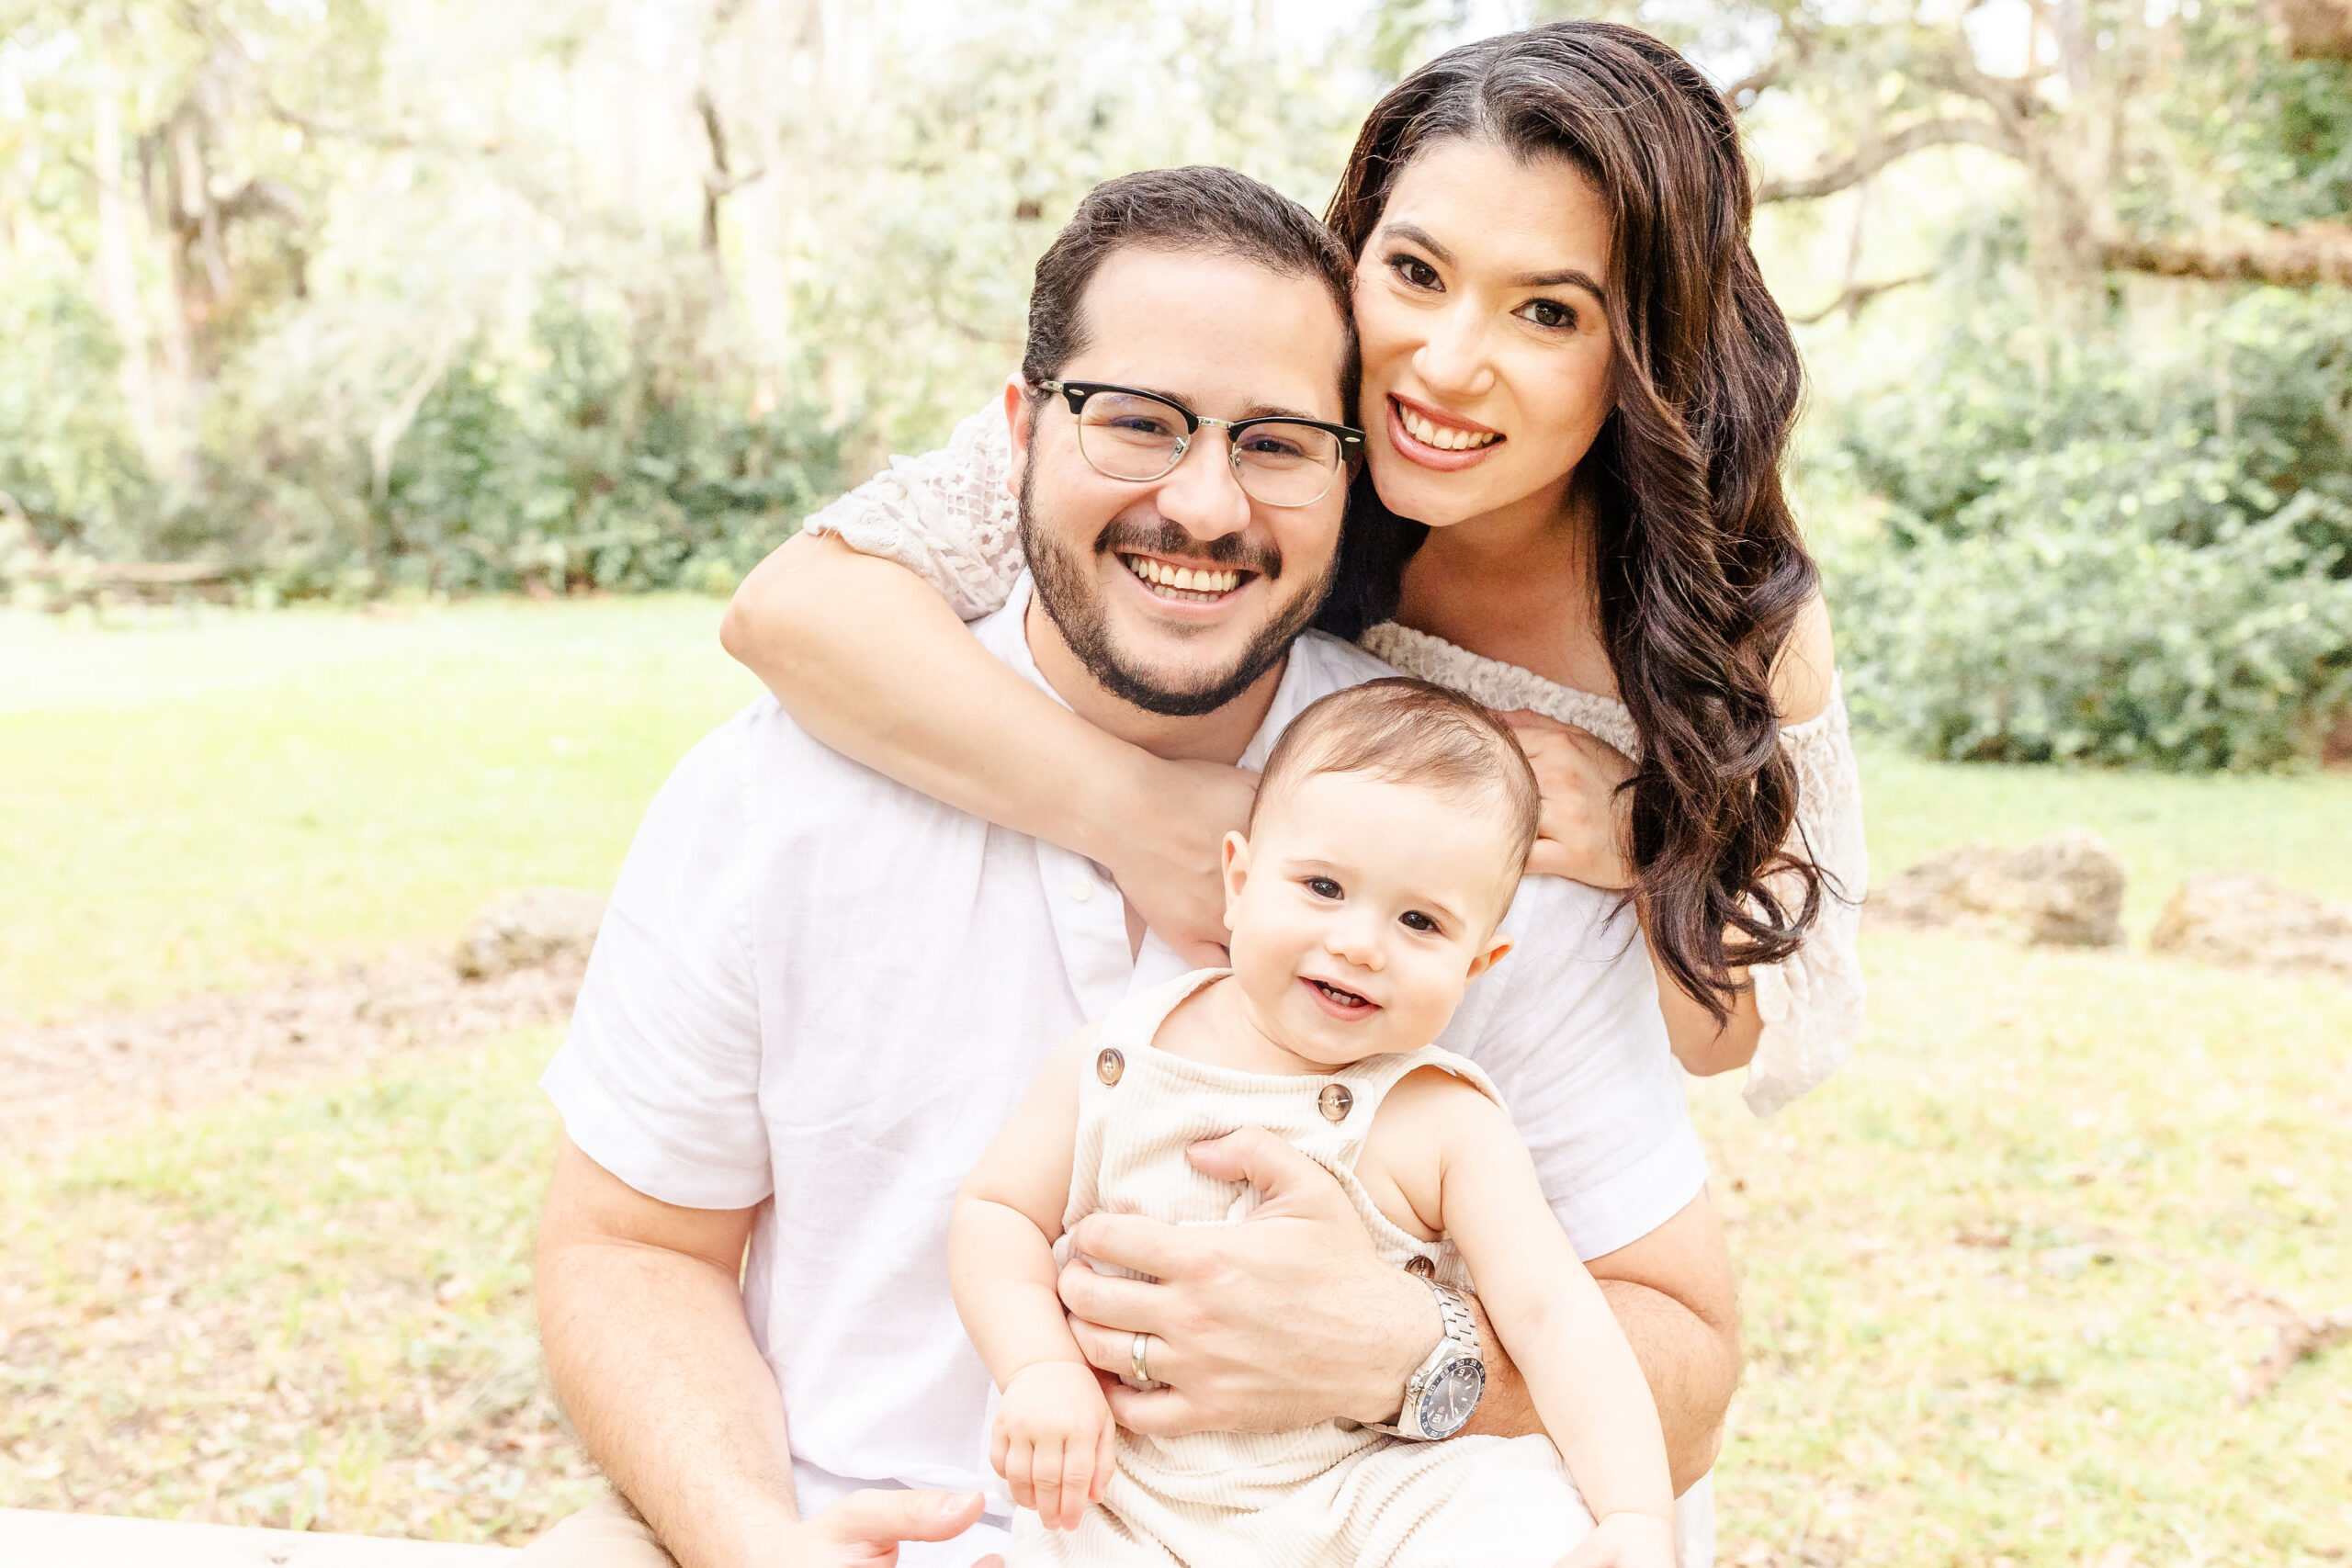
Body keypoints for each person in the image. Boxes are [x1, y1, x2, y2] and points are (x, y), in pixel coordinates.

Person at [524, 165, 1735, 1568]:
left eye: (1279, 442)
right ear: (1022, 427)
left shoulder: (1458, 831)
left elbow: (1684, 1355)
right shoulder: (770, 795)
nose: (1206, 504)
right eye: (1139, 422)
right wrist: (750, 1540)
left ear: (1355, 472)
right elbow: (631, 1247)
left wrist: (1409, 1349)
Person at [718, 21, 1869, 1118]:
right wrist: (1138, 814)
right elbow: (792, 612)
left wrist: (1644, 849)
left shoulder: (1724, 603)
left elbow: (1745, 1034)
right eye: (1416, 273)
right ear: (1352, 253)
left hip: (1507, 1125)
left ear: (1644, 349)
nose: (1448, 365)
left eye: (1547, 312)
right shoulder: (1228, 435)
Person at [955, 679, 1676, 1568]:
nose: (1361, 942)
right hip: (1131, 1492)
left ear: (1478, 963)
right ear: (1239, 879)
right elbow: (996, 1215)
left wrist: (1638, 1515)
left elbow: (1555, 1319)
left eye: (1419, 920)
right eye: (1324, 886)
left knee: (1519, 1508)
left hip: (1368, 1496)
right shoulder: (1120, 1057)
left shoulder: (1446, 1121)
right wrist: (1041, 1370)